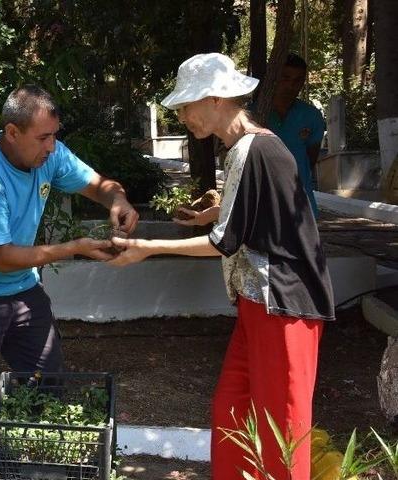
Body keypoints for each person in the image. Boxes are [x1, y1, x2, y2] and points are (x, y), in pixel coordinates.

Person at [108, 53, 334, 480]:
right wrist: (211, 214)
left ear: (215, 99)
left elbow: (225, 243)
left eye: (186, 105)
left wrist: (146, 247)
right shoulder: (246, 147)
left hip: (283, 304)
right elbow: (258, 215)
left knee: (282, 430)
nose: (182, 115)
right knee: (232, 412)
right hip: (258, 303)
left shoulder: (255, 148)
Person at [0, 84, 138, 478]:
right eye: (43, 137)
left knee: (48, 385)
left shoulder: (48, 155)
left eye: (54, 136)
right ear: (12, 133)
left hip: (21, 288)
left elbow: (96, 183)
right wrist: (74, 247)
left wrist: (118, 200)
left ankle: (23, 469)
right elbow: (3, 256)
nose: (51, 146)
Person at [268, 52, 326, 216]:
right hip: (264, 204)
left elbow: (310, 160)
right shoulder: (255, 114)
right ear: (274, 78)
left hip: (301, 205)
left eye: (297, 80)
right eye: (285, 78)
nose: (290, 86)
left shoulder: (311, 116)